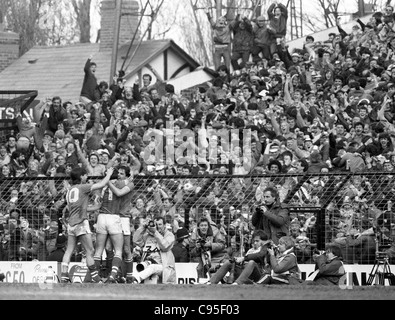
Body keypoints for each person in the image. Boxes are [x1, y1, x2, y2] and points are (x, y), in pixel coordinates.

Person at [60, 166, 114, 283]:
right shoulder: (83, 187)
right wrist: (109, 174)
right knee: (90, 251)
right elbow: (100, 184)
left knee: (69, 250)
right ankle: (96, 278)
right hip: (81, 223)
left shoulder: (69, 191)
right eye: (85, 175)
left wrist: (95, 207)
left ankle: (64, 276)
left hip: (71, 224)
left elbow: (73, 208)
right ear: (81, 176)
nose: (86, 177)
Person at [93, 169, 125, 284]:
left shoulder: (102, 187)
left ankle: (95, 278)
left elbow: (97, 199)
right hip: (113, 216)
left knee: (98, 251)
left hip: (101, 217)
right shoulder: (119, 184)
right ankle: (112, 276)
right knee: (118, 250)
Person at [106, 166, 135, 283]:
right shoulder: (117, 183)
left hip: (123, 218)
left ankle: (129, 276)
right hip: (112, 217)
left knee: (126, 249)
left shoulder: (128, 184)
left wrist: (107, 179)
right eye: (118, 173)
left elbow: (119, 189)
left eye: (122, 174)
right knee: (108, 248)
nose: (119, 175)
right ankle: (116, 273)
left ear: (126, 176)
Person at [131, 216, 176, 284]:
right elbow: (136, 241)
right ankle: (128, 280)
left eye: (160, 224)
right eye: (156, 224)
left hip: (164, 266)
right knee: (140, 266)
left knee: (153, 267)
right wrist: (143, 227)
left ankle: (136, 279)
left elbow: (165, 246)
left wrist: (155, 232)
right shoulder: (148, 236)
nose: (157, 226)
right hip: (148, 262)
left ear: (164, 225)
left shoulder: (169, 235)